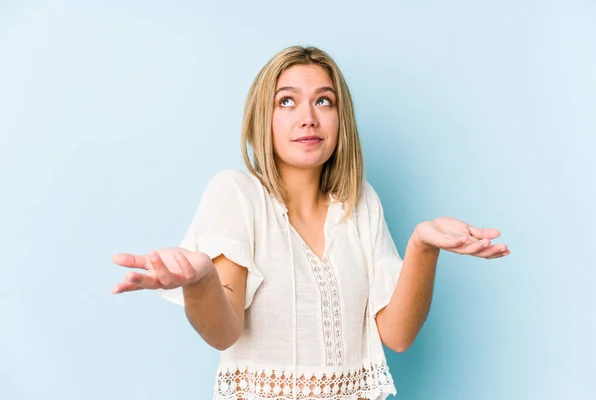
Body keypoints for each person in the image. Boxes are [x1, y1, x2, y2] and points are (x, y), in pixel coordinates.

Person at [111, 45, 510, 400]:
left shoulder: (361, 204)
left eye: (324, 101)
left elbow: (397, 335)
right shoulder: (236, 194)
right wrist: (201, 283)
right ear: (261, 118)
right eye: (286, 102)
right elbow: (223, 332)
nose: (308, 118)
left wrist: (423, 245)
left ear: (341, 119)